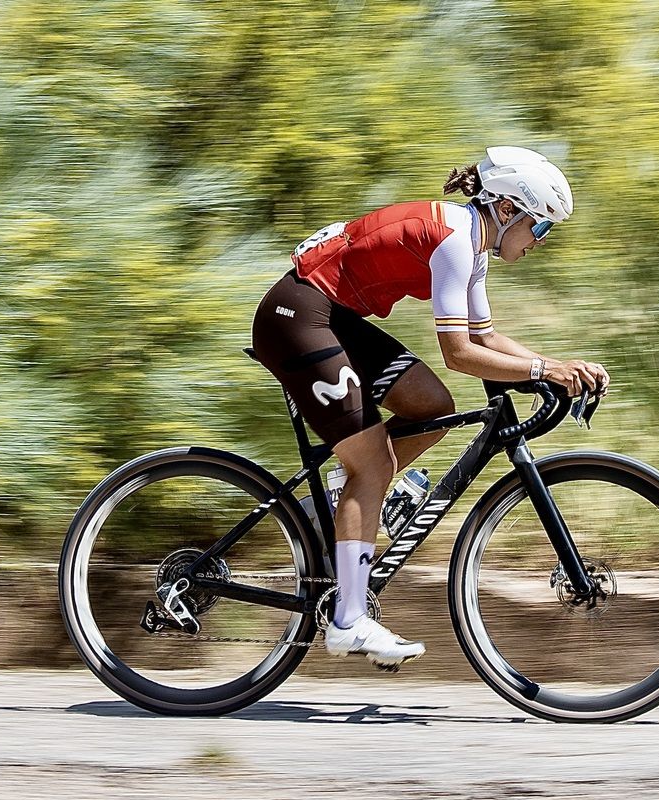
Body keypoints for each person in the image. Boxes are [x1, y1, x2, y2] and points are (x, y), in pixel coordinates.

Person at [250, 146, 610, 669]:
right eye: (541, 228)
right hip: (297, 316)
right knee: (372, 464)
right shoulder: (456, 242)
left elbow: (483, 335)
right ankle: (348, 621)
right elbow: (460, 354)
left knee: (430, 404)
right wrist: (541, 372)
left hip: (330, 315)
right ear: (507, 210)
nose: (540, 243)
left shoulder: (475, 244)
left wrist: (554, 365)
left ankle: (338, 501)